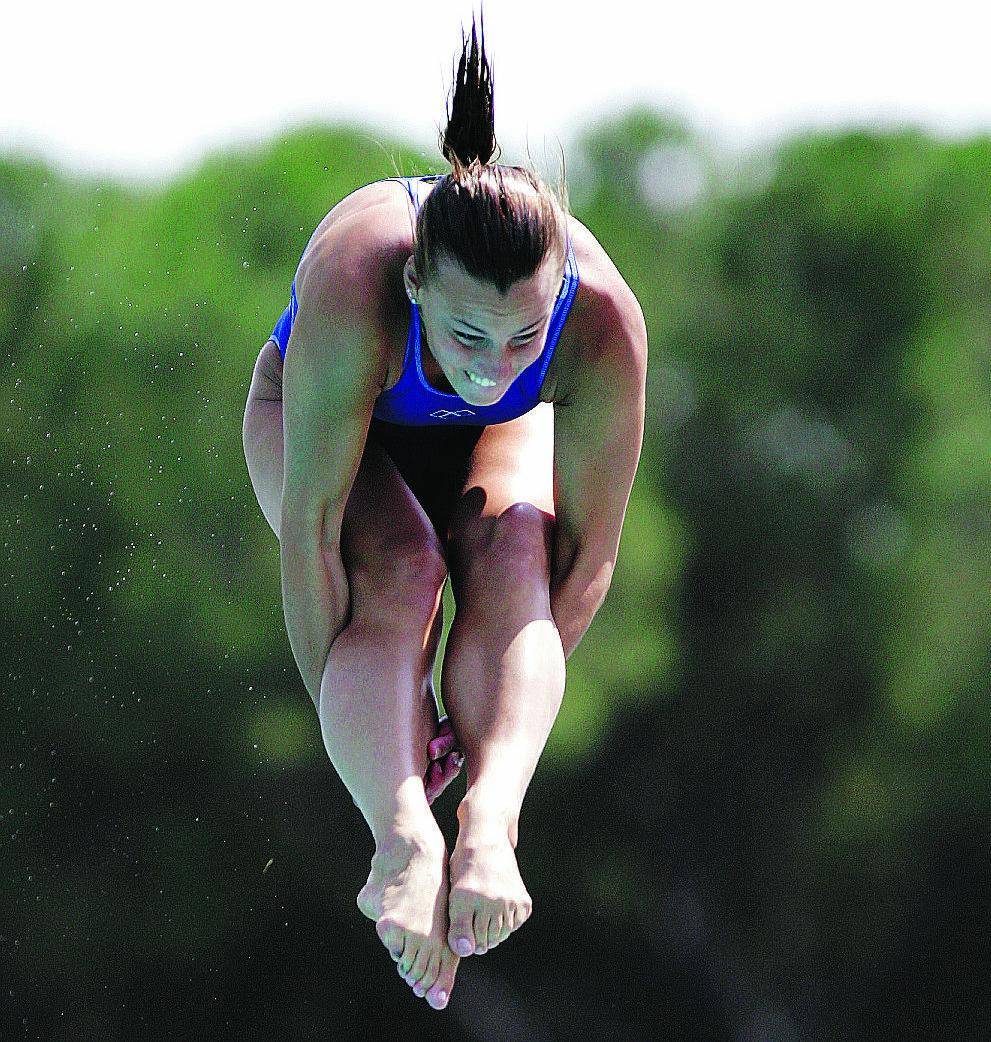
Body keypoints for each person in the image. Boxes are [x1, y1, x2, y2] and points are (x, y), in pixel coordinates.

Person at [241, 12, 646, 1013]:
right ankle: (403, 848)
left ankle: (489, 836)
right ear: (417, 281)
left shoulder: (601, 324)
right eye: (466, 333)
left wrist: (482, 765)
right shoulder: (355, 278)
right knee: (401, 574)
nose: (488, 365)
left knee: (516, 557)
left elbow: (584, 565)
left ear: (557, 299)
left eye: (522, 339)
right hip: (332, 430)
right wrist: (385, 766)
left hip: (493, 450)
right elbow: (312, 541)